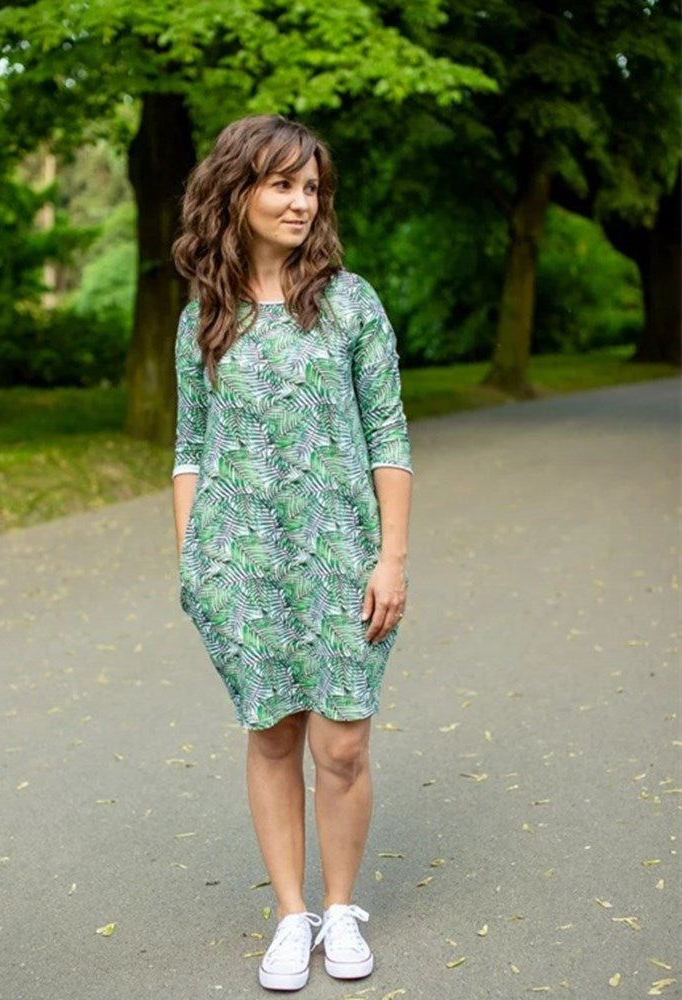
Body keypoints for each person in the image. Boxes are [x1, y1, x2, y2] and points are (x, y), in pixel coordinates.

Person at [171, 114, 412, 992]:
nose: (301, 202)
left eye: (311, 187)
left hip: (343, 559)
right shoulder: (207, 314)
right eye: (281, 184)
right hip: (241, 565)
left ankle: (341, 909)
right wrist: (193, 564)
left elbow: (389, 433)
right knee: (272, 736)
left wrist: (391, 558)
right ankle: (290, 916)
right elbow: (189, 446)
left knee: (341, 745)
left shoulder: (352, 302)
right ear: (237, 193)